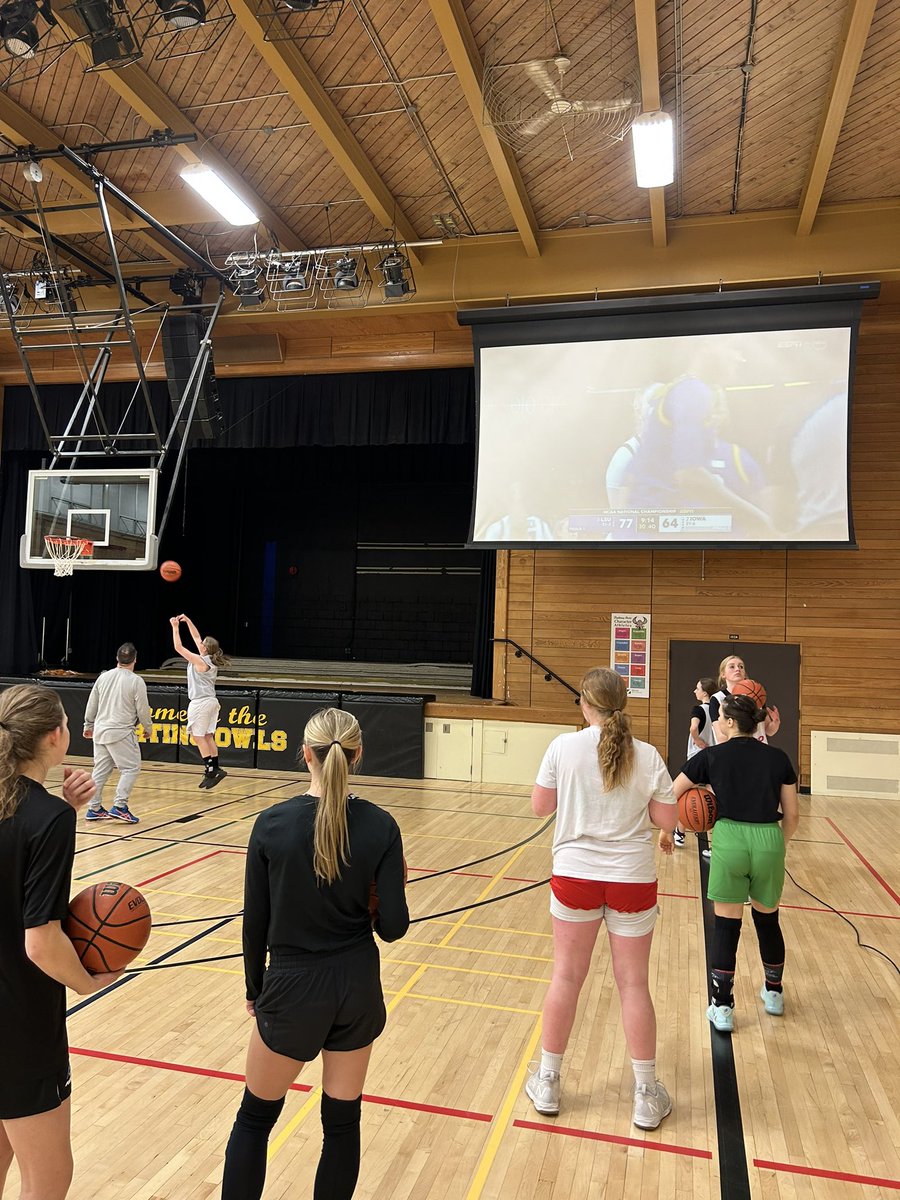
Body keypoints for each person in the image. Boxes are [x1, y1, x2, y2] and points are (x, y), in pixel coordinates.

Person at [221, 707, 409, 1200]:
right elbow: (393, 928)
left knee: (256, 1119)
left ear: (304, 754)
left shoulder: (271, 824)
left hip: (292, 984)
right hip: (355, 982)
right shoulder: (381, 826)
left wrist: (254, 991)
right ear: (358, 755)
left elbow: (254, 923)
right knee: (342, 1124)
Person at [525, 667, 678, 1131]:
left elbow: (540, 806)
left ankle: (549, 1080)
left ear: (584, 704)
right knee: (633, 985)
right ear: (621, 704)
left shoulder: (562, 747)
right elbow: (665, 817)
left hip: (575, 875)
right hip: (631, 878)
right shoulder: (648, 755)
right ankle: (646, 1094)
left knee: (566, 978)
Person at [0, 684, 122, 1200]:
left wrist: (64, 810)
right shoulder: (45, 819)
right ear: (55, 736)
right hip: (20, 1023)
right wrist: (89, 983)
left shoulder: (44, 813)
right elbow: (40, 943)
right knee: (49, 1178)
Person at [660, 693, 799, 1033]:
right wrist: (778, 845)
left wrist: (666, 832)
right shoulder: (778, 757)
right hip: (768, 839)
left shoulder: (710, 756)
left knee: (726, 927)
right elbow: (792, 815)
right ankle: (774, 993)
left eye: (720, 717)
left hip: (729, 840)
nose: (717, 722)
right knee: (768, 922)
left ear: (732, 723)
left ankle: (722, 1006)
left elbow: (670, 794)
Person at [82, 642, 152, 825]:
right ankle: (120, 806)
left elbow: (92, 703)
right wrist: (148, 728)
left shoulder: (103, 677)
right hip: (120, 731)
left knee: (100, 770)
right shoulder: (136, 681)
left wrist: (88, 725)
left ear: (117, 658)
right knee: (131, 768)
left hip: (100, 730)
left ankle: (94, 808)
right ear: (135, 659)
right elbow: (143, 709)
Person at [170, 615, 228, 789]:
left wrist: (175, 627)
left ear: (206, 648)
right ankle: (215, 768)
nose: (199, 642)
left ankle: (210, 770)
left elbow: (178, 647)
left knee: (198, 736)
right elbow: (196, 636)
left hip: (201, 702)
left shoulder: (201, 661)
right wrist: (187, 620)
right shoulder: (209, 659)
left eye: (202, 643)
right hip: (211, 701)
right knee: (208, 736)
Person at [673, 676, 717, 848]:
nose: (694, 691)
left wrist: (697, 739)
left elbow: (693, 727)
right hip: (714, 756)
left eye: (697, 688)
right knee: (714, 798)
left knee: (685, 795)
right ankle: (716, 841)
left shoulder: (698, 709)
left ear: (704, 692)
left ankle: (680, 833)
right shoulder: (717, 710)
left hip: (697, 757)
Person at [708, 655, 780, 741]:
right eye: (732, 667)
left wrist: (775, 722)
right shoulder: (717, 699)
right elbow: (720, 738)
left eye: (741, 666)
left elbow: (769, 731)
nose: (738, 669)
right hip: (733, 751)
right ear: (723, 674)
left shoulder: (757, 694)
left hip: (758, 749)